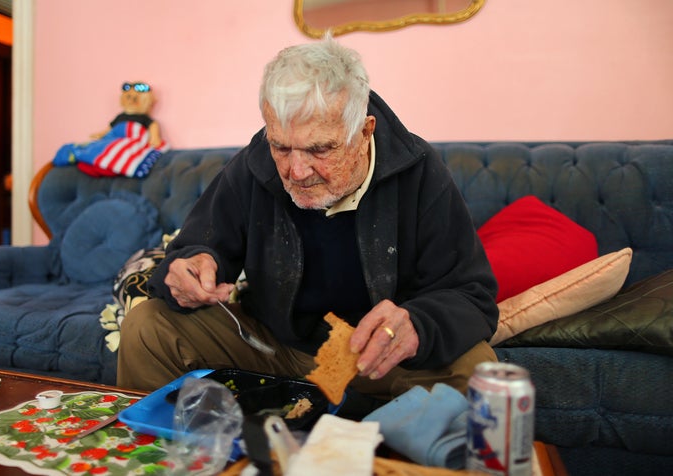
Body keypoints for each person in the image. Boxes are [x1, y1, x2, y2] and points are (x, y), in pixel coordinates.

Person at [117, 36, 499, 407]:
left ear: (365, 131)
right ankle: (171, 463)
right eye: (281, 146)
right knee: (147, 327)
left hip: (376, 358)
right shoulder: (253, 166)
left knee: (477, 370)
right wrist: (191, 266)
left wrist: (418, 323)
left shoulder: (419, 172)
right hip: (271, 346)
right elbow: (194, 249)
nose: (296, 171)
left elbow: (472, 296)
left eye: (320, 149)